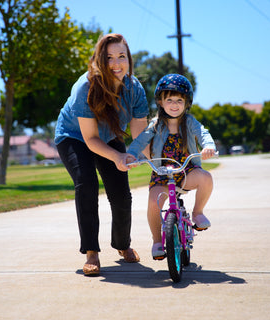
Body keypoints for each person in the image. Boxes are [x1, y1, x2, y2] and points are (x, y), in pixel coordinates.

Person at [54, 33, 149, 276]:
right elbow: (90, 139)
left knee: (120, 194)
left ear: (129, 59)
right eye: (109, 58)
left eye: (121, 56)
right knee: (86, 183)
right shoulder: (84, 87)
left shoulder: (135, 88)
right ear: (100, 60)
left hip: (109, 136)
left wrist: (153, 155)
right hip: (75, 137)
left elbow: (140, 133)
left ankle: (122, 244)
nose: (116, 64)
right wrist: (118, 157)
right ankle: (91, 253)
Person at [127, 74, 216, 260]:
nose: (174, 104)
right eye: (169, 100)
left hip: (186, 171)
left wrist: (209, 146)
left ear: (186, 102)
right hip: (161, 174)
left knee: (206, 178)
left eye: (179, 100)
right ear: (160, 101)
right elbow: (139, 141)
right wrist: (131, 155)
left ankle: (198, 212)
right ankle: (157, 241)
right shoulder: (156, 124)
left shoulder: (190, 122)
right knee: (153, 202)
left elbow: (203, 133)